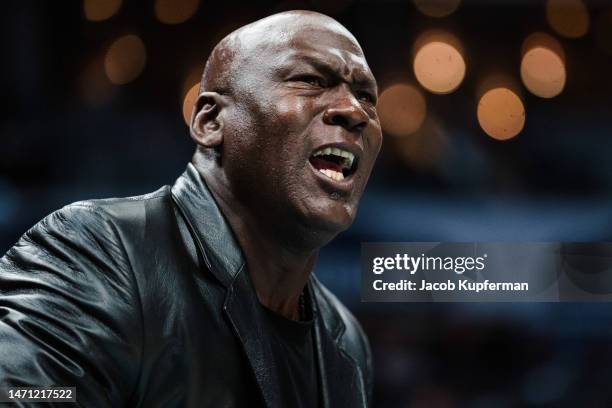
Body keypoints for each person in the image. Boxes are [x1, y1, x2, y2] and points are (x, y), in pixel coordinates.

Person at [0, 10, 382, 408]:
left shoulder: (346, 342)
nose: (355, 111)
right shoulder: (103, 251)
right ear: (211, 121)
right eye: (310, 81)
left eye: (367, 97)